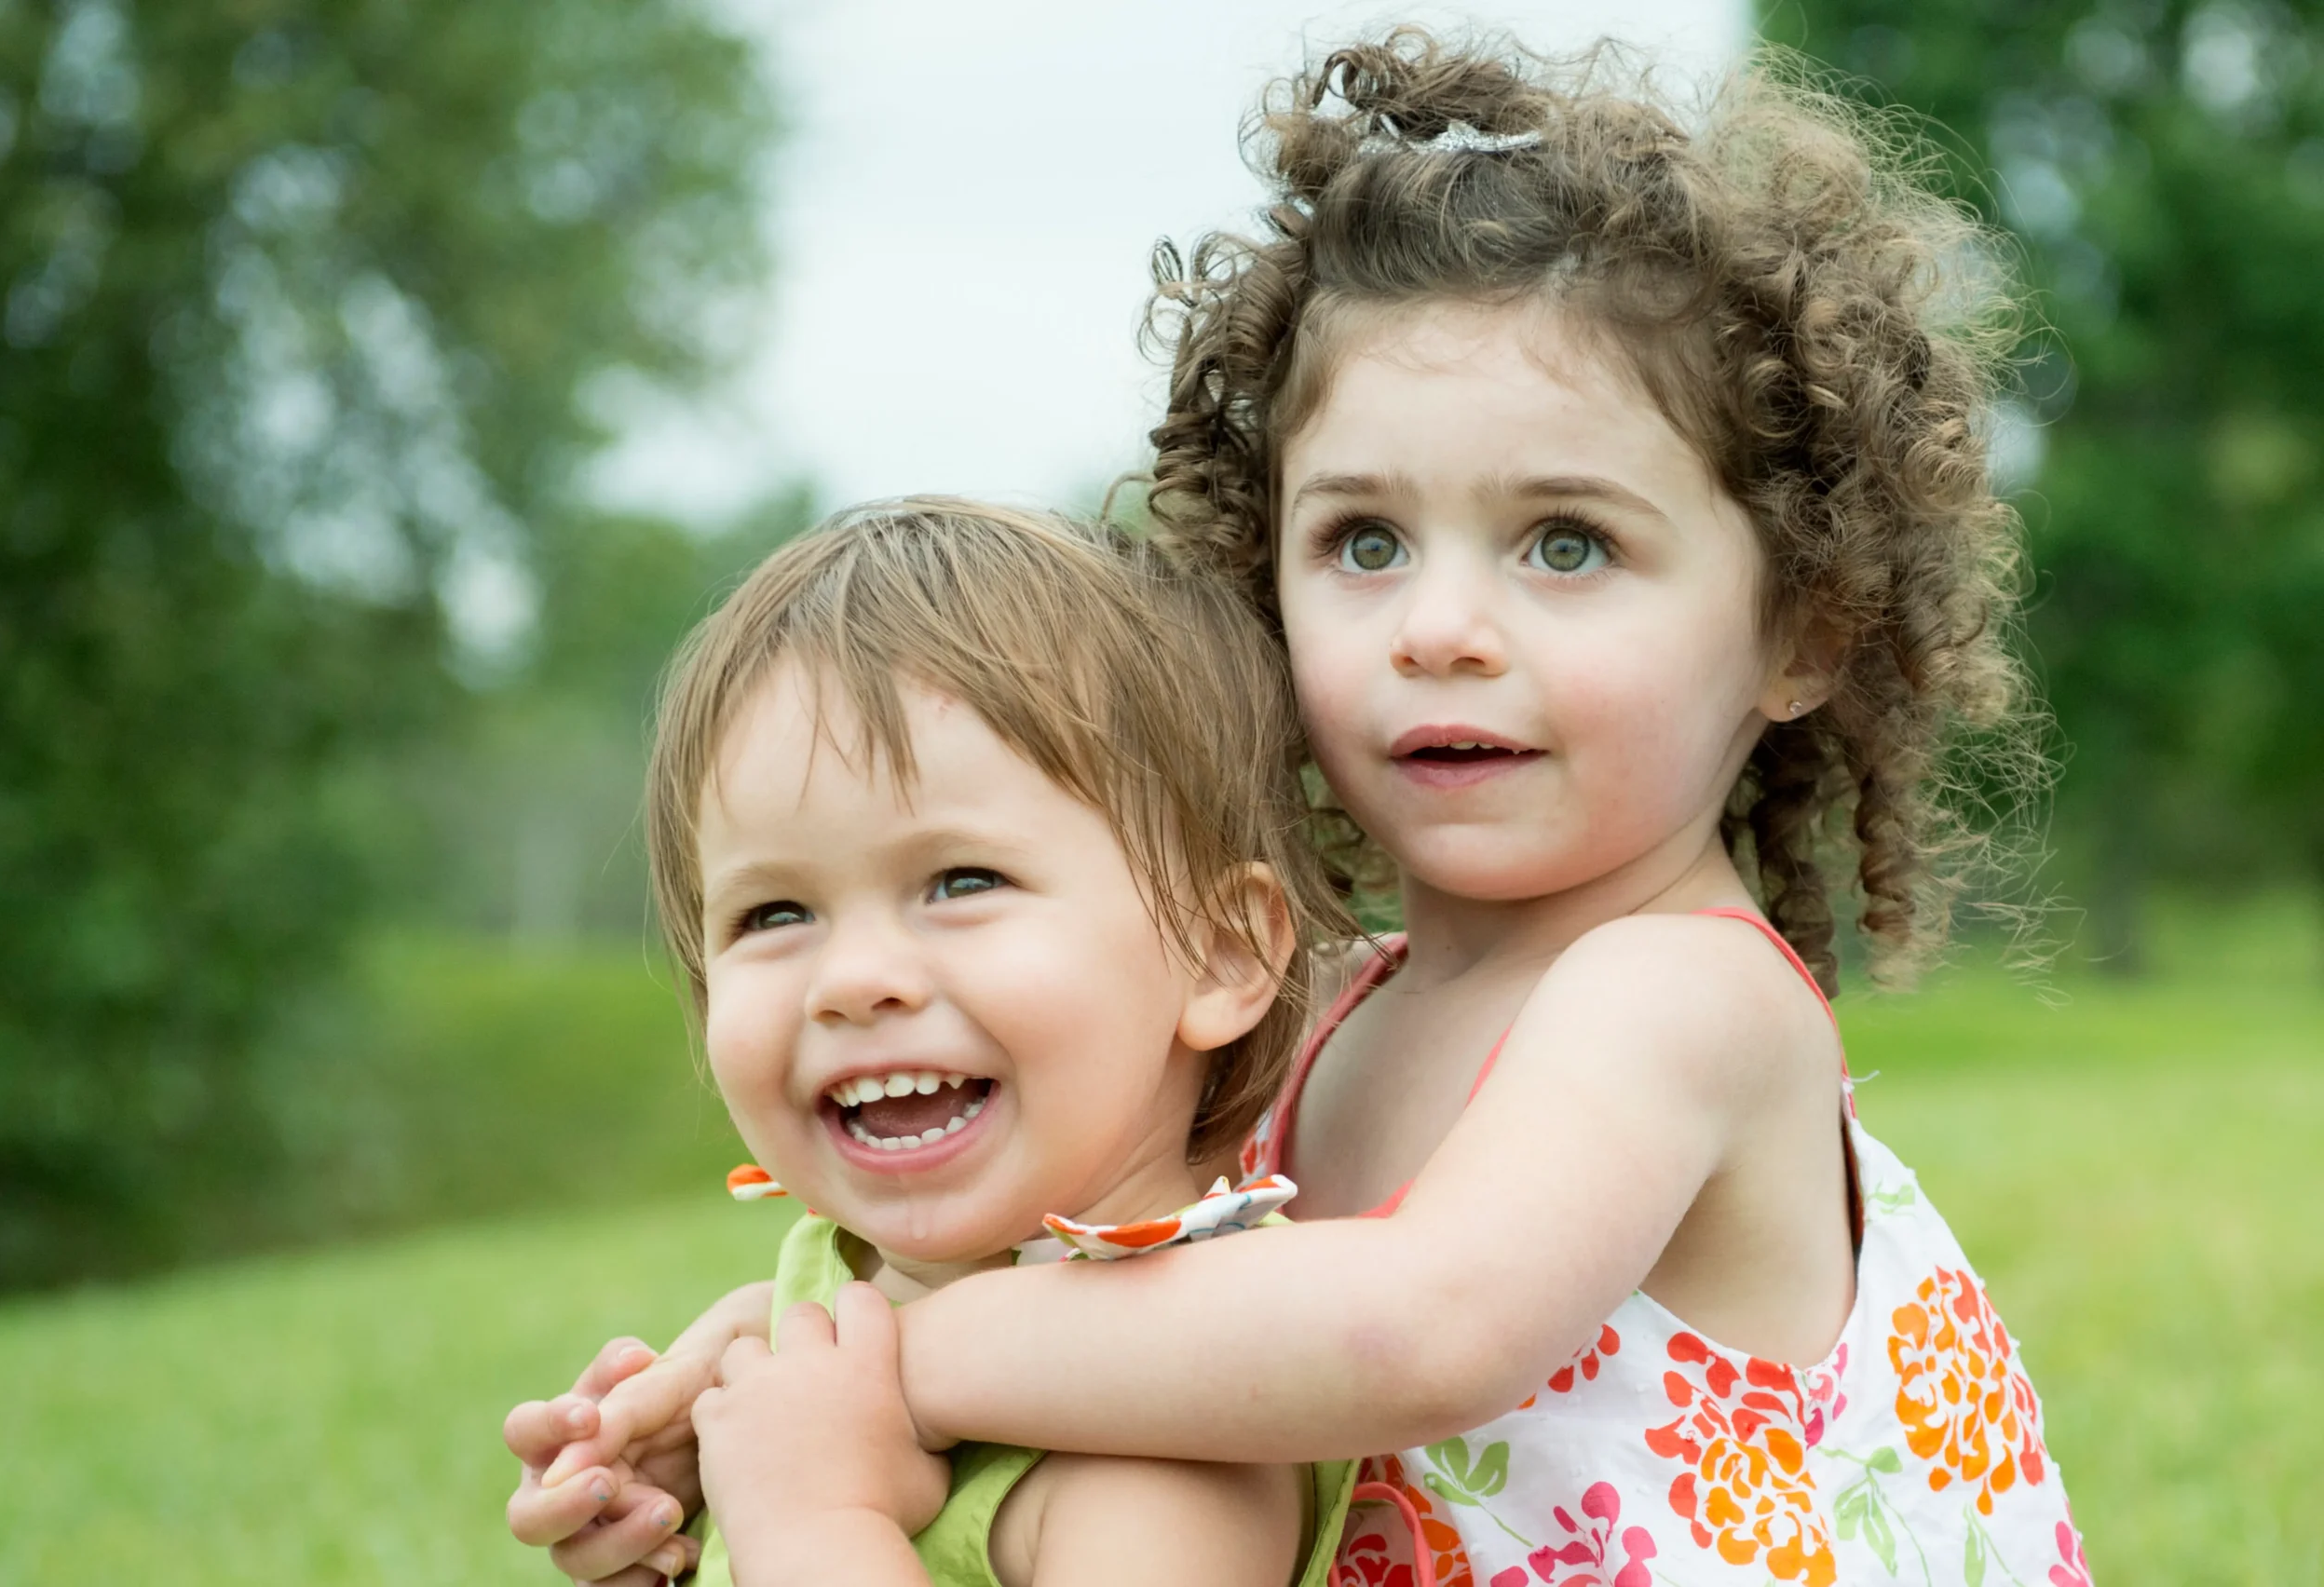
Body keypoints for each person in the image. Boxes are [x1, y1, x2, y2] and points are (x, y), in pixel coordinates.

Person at [512, 31, 2090, 1585]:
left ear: (1804, 628)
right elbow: (1120, 1297)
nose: (1440, 627)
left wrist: (879, 1374)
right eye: (1363, 542)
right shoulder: (1322, 1010)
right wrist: (736, 1388)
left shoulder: (1680, 996)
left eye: (1565, 544)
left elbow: (1423, 1326)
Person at [510, 498, 1357, 1586]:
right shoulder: (837, 1293)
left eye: (961, 882)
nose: (854, 981)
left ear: (1219, 955)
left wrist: (810, 1519)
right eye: (772, 914)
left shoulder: (1174, 1448)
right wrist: (695, 1505)